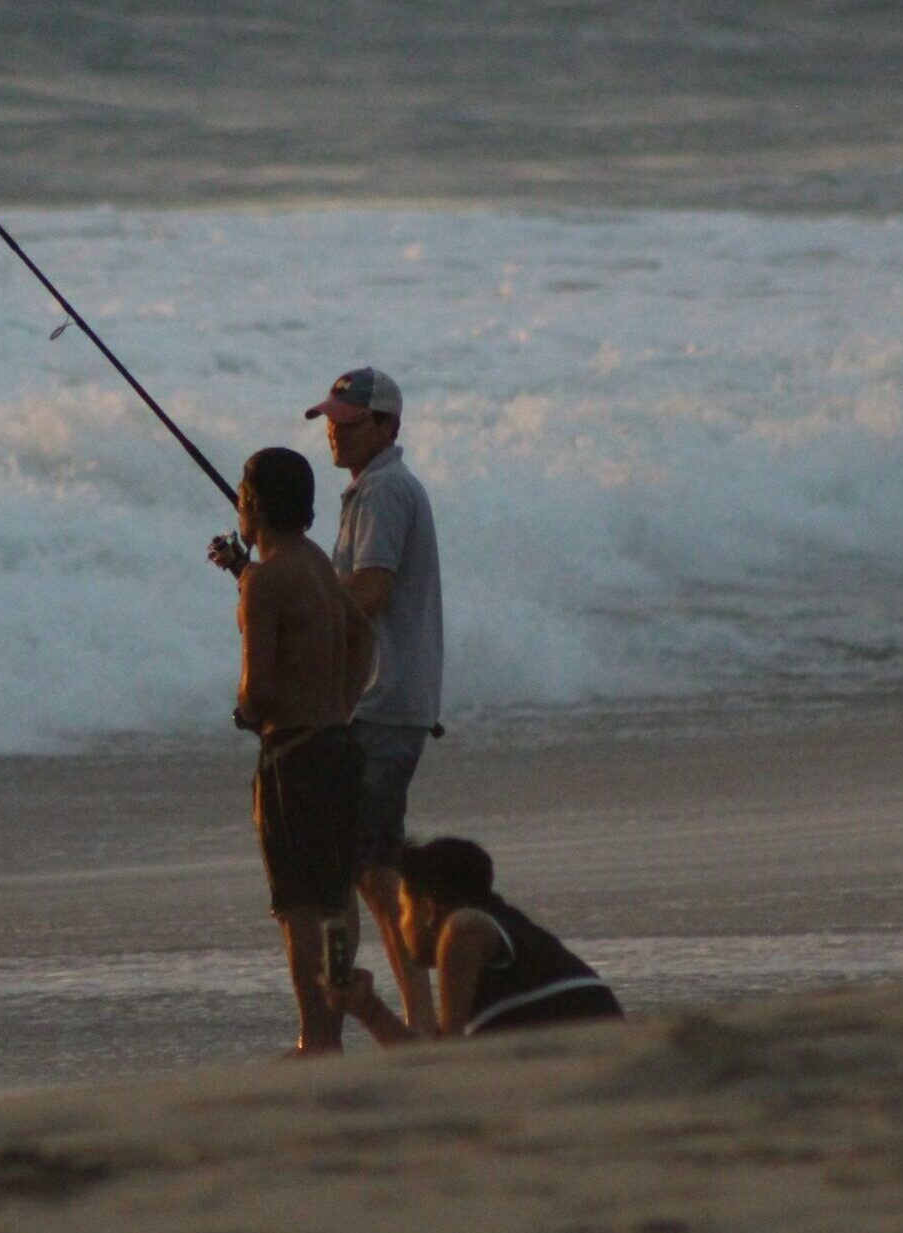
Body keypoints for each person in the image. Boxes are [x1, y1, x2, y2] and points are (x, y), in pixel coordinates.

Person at [222, 446, 375, 1056]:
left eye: (241, 495)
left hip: (293, 758)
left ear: (253, 504)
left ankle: (316, 1037)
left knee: (298, 906)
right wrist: (340, 702)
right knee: (336, 898)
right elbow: (360, 633)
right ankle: (333, 1027)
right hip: (336, 746)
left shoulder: (266, 580)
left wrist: (247, 714)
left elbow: (256, 685)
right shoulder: (314, 564)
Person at [309, 367, 447, 1036]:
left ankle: (427, 1014)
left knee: (370, 865)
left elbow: (369, 595)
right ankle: (407, 1013)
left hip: (383, 702)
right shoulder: (372, 489)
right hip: (380, 702)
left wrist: (300, 592)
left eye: (349, 420)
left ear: (387, 426)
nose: (333, 430)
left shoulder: (385, 490)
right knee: (363, 865)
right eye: (331, 418)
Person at [328, 836, 622, 1043]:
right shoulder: (510, 927)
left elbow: (450, 1063)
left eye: (404, 910)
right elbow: (435, 1068)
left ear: (428, 910)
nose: (401, 923)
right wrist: (368, 1009)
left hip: (591, 1044)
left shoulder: (462, 930)